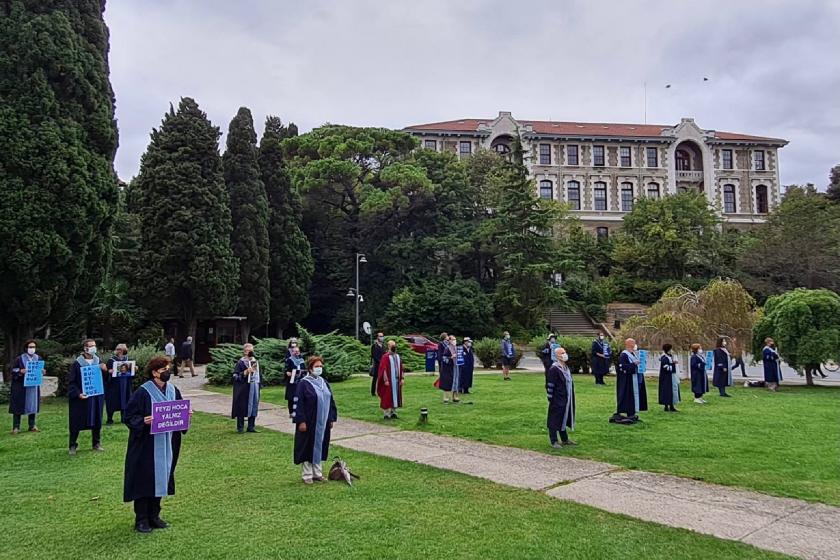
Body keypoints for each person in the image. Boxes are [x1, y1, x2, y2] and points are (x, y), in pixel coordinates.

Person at [123, 356, 189, 533]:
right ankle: (141, 519)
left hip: (167, 442)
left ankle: (154, 515)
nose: (167, 372)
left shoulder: (173, 390)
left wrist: (185, 416)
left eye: (169, 369)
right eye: (164, 370)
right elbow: (128, 416)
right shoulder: (143, 392)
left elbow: (178, 414)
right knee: (145, 479)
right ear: (154, 373)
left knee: (162, 477)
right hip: (147, 444)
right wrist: (142, 421)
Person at [293, 356, 338, 485]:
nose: (319, 368)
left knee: (320, 445)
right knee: (308, 446)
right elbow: (298, 403)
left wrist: (331, 418)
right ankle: (307, 474)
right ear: (310, 368)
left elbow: (331, 401)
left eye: (320, 366)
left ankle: (317, 473)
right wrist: (301, 421)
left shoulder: (324, 382)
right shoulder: (303, 383)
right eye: (316, 366)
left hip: (322, 421)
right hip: (309, 421)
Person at [67, 339, 105, 455]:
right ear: (85, 348)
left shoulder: (98, 361)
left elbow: (104, 380)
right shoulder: (77, 363)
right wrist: (78, 393)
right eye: (91, 346)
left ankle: (96, 443)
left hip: (96, 396)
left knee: (97, 419)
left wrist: (105, 370)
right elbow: (71, 382)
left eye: (94, 346)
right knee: (77, 420)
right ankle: (73, 445)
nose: (93, 348)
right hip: (82, 397)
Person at [9, 340, 44, 434]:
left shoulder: (38, 358)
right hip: (21, 386)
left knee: (33, 405)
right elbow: (12, 369)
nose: (32, 349)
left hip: (33, 386)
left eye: (34, 347)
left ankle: (32, 425)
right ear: (26, 348)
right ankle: (16, 427)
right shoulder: (20, 358)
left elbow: (39, 369)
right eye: (30, 347)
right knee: (18, 406)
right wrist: (20, 371)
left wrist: (42, 371)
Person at [546, 347, 576, 449]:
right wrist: (551, 398)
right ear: (557, 356)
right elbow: (550, 385)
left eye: (565, 352)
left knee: (563, 417)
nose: (564, 354)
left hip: (566, 398)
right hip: (557, 398)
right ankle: (554, 440)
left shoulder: (565, 368)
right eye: (562, 353)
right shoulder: (554, 369)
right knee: (554, 419)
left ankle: (564, 439)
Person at [231, 343, 261, 433]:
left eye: (252, 350)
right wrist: (245, 372)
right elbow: (235, 376)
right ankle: (240, 427)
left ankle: (251, 427)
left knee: (254, 406)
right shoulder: (241, 362)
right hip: (244, 388)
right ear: (245, 352)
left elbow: (259, 375)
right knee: (242, 406)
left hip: (254, 386)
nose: (251, 352)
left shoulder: (255, 362)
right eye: (249, 350)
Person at [612, 338, 642, 424]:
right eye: (633, 343)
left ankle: (632, 414)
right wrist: (633, 364)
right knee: (628, 396)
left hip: (634, 378)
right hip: (627, 380)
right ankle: (628, 414)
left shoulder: (633, 354)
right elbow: (622, 367)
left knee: (633, 396)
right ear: (629, 344)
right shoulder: (624, 355)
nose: (634, 345)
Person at [104, 343, 133, 425]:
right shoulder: (111, 360)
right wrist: (108, 371)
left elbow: (130, 372)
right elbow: (106, 372)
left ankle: (123, 418)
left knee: (125, 400)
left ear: (122, 351)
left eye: (118, 349)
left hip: (125, 383)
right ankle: (109, 419)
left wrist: (134, 369)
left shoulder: (128, 359)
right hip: (114, 384)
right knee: (112, 401)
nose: (116, 351)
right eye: (116, 349)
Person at [376, 340, 404, 419]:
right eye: (392, 345)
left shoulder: (397, 356)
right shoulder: (385, 357)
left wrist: (402, 378)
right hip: (389, 381)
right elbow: (383, 369)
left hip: (397, 380)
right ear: (388, 346)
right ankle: (386, 413)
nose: (393, 347)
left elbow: (401, 368)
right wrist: (385, 380)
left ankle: (393, 412)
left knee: (396, 396)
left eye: (394, 345)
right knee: (387, 396)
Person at [658, 343, 680, 412]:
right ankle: (666, 406)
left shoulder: (670, 356)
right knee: (666, 391)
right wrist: (673, 364)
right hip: (666, 378)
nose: (672, 350)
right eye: (671, 349)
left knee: (672, 391)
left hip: (671, 377)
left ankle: (672, 405)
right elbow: (666, 367)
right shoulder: (664, 358)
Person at [284, 344, 306, 415]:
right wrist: (287, 373)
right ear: (292, 352)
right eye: (295, 351)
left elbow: (304, 369)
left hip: (300, 380)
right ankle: (291, 412)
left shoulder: (302, 360)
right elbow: (286, 369)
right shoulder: (289, 360)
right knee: (291, 397)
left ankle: (299, 410)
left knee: (300, 395)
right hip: (292, 381)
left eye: (298, 351)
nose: (297, 353)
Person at [438, 335, 461, 403]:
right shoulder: (447, 348)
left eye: (455, 339)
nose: (455, 341)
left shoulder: (456, 348)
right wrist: (450, 357)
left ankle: (455, 397)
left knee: (456, 382)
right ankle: (446, 398)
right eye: (453, 339)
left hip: (456, 367)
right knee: (448, 383)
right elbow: (444, 358)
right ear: (450, 341)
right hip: (448, 369)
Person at [370, 332, 385, 397]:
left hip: (382, 364)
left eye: (382, 336)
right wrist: (380, 362)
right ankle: (373, 392)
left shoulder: (383, 346)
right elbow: (374, 356)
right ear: (377, 337)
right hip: (377, 365)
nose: (381, 337)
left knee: (382, 378)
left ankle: (381, 391)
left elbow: (384, 354)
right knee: (375, 379)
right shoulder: (374, 346)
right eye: (380, 336)